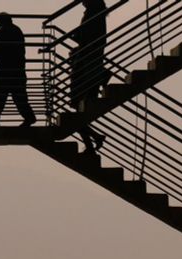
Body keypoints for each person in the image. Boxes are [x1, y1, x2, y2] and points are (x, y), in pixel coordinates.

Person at [70, 0, 108, 153]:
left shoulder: (92, 14)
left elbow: (85, 36)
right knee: (78, 110)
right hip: (90, 64)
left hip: (87, 66)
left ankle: (94, 140)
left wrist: (76, 37)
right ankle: (93, 140)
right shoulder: (97, 13)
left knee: (77, 108)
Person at [0, 13, 37, 127]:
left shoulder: (2, 32)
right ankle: (29, 117)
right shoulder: (17, 30)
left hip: (4, 70)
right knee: (19, 97)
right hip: (18, 70)